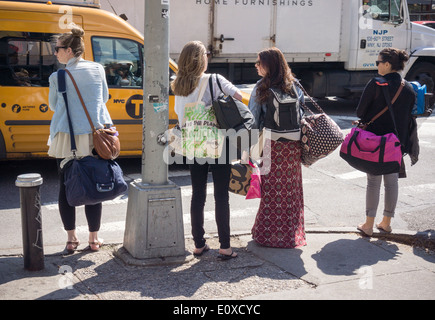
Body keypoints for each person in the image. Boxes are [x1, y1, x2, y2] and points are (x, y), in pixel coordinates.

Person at [171, 40, 243, 260]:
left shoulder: (178, 84)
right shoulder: (214, 80)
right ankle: (225, 247)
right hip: (217, 142)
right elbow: (239, 97)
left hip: (193, 143)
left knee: (197, 195)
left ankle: (199, 244)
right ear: (201, 59)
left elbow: (179, 115)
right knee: (221, 195)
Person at [48, 26, 113, 253]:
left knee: (66, 186)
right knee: (94, 183)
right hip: (95, 136)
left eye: (57, 49)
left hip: (67, 137)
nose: (55, 53)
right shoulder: (98, 69)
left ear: (69, 50)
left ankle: (71, 239)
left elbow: (55, 106)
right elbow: (103, 98)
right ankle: (94, 240)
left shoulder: (59, 76)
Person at [249, 47, 307, 248]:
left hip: (270, 146)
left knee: (271, 191)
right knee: (290, 191)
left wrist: (248, 149)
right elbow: (301, 116)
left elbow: (253, 120)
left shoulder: (260, 87)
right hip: (292, 147)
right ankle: (292, 234)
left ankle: (267, 235)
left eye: (259, 63)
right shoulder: (294, 85)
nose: (255, 66)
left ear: (269, 65)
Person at [356, 48, 416, 236]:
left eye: (378, 62)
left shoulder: (376, 84)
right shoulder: (408, 87)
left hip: (375, 141)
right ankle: (386, 222)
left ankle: (368, 225)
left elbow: (360, 112)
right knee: (392, 182)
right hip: (396, 142)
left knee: (373, 182)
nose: (377, 66)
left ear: (387, 64)